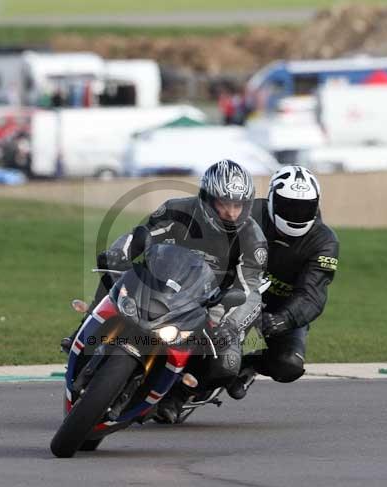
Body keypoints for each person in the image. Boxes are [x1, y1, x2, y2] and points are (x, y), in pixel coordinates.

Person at [64, 159, 268, 422]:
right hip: (159, 284)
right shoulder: (176, 210)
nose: (231, 212)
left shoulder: (253, 238)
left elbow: (248, 288)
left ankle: (178, 396)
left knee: (226, 360)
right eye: (223, 204)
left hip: (209, 304)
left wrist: (229, 323)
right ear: (207, 199)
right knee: (115, 271)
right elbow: (139, 236)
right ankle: (87, 324)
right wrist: (119, 252)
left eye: (237, 205)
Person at [226, 165, 339, 400]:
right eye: (288, 206)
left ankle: (250, 365)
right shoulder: (245, 213)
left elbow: (312, 294)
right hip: (233, 291)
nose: (296, 214)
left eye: (304, 208)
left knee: (289, 365)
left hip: (280, 309)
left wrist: (283, 319)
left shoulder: (325, 242)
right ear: (272, 200)